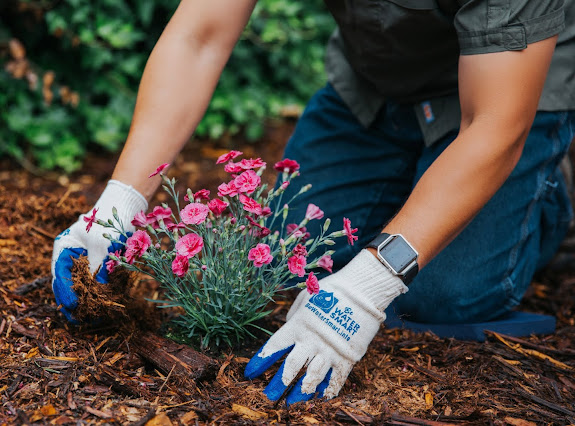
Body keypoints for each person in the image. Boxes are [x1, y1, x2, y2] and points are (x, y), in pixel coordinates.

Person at [52, 0, 575, 405]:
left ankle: (551, 183)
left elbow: (495, 124)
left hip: (508, 92)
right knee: (284, 257)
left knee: (440, 297)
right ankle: (425, 172)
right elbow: (198, 36)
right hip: (378, 90)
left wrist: (369, 286)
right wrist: (120, 201)